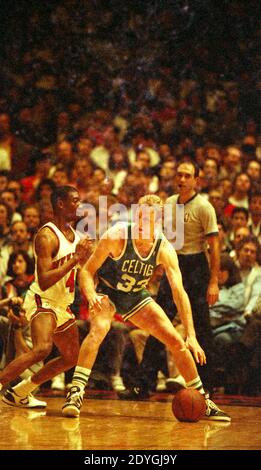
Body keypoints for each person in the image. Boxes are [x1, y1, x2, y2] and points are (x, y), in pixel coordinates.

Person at [62, 194, 230, 421]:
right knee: (99, 329)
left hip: (135, 296)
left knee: (177, 342)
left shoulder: (164, 248)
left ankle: (202, 399)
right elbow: (87, 271)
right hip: (108, 292)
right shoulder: (117, 235)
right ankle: (76, 392)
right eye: (139, 216)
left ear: (159, 221)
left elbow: (179, 292)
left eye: (148, 219)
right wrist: (91, 294)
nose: (142, 223)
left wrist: (191, 334)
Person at [130, 160, 220, 396]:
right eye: (179, 175)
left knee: (201, 328)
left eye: (187, 175)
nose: (181, 179)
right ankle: (144, 384)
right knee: (158, 323)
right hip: (175, 264)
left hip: (197, 266)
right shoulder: (168, 203)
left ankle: (206, 386)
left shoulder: (204, 207)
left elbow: (215, 246)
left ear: (196, 180)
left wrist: (213, 281)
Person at [0, 185, 92, 408]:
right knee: (42, 348)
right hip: (42, 300)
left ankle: (20, 392)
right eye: (75, 200)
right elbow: (44, 279)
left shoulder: (77, 237)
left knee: (71, 356)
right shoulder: (46, 235)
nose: (79, 205)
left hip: (62, 303)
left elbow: (82, 272)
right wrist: (75, 258)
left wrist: (93, 289)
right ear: (61, 203)